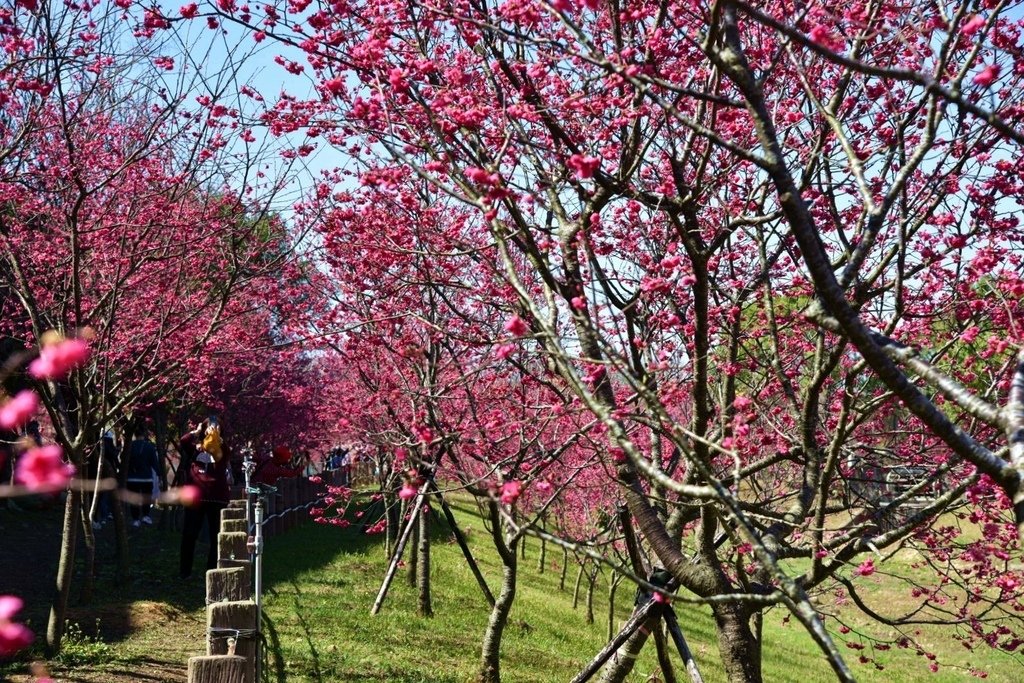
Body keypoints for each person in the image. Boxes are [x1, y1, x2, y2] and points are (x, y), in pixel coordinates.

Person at [179, 419, 230, 580]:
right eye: (210, 428)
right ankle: (185, 571)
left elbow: (227, 453)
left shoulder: (222, 450)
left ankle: (212, 571)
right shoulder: (195, 449)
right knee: (189, 534)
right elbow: (183, 441)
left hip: (217, 498)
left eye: (217, 428)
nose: (212, 431)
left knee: (216, 536)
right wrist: (197, 431)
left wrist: (218, 439)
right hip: (196, 498)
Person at [125, 427, 159, 527]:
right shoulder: (150, 447)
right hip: (146, 478)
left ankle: (135, 519)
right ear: (144, 435)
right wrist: (159, 474)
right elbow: (154, 463)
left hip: (132, 478)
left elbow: (124, 460)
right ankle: (146, 515)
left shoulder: (130, 446)